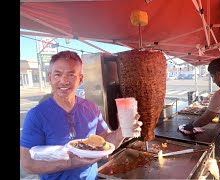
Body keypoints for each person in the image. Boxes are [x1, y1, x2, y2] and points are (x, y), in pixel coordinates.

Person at [20, 51, 143, 180]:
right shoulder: (36, 115)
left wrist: (121, 132)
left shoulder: (91, 108)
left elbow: (105, 142)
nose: (64, 81)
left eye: (71, 75)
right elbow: (28, 164)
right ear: (50, 78)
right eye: (57, 74)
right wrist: (72, 162)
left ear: (80, 79)